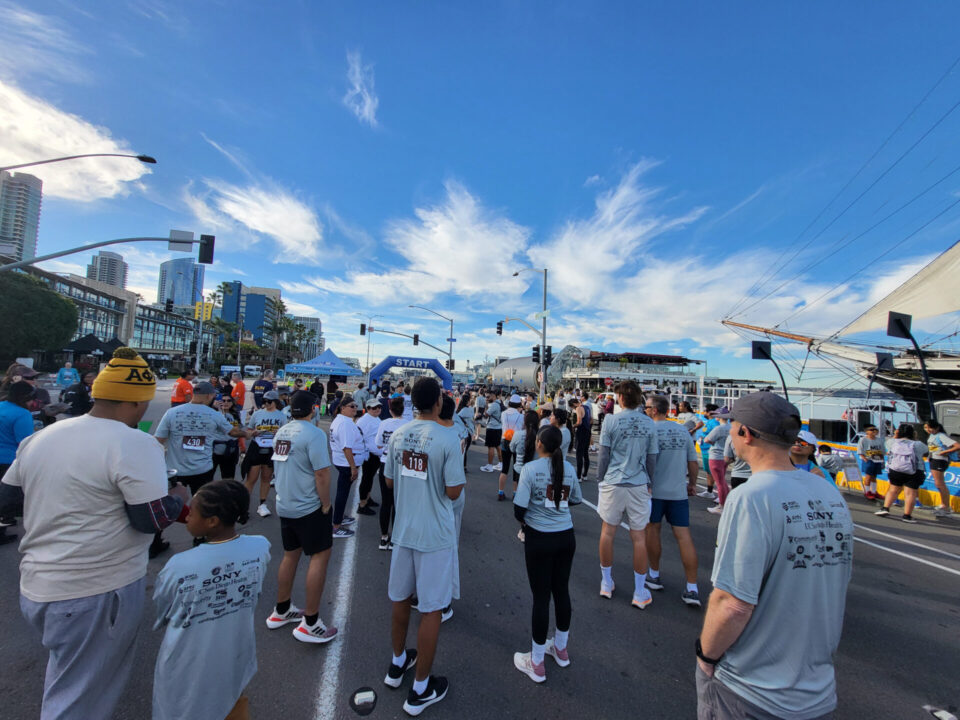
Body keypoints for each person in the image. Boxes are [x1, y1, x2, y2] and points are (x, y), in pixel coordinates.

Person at [0, 347, 189, 720]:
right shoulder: (136, 443)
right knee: (79, 700)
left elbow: (8, 500)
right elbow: (149, 520)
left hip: (38, 585)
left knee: (68, 678)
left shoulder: (44, 436)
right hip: (97, 590)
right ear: (137, 402)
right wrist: (177, 497)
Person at [696, 391, 854, 720]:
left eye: (733, 427)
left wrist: (706, 656)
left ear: (745, 433)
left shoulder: (751, 497)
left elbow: (733, 603)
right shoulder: (829, 494)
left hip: (751, 688)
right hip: (818, 689)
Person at [152, 481, 270, 720]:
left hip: (186, 663)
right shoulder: (260, 547)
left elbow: (163, 610)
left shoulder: (178, 566)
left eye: (192, 512)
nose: (187, 516)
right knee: (230, 703)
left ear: (212, 521)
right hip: (234, 656)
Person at [381, 378, 465, 715]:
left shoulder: (399, 434)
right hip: (435, 535)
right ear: (439, 403)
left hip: (403, 530)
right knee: (431, 609)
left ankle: (397, 662)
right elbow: (453, 491)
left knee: (400, 598)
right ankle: (420, 688)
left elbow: (389, 481)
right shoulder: (447, 437)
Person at [265, 390, 339, 642]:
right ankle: (311, 622)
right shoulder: (314, 434)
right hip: (308, 505)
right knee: (320, 556)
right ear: (313, 409)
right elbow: (322, 473)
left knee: (290, 555)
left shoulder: (282, 432)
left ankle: (282, 609)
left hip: (285, 503)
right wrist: (326, 504)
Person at [512, 426, 582, 683]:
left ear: (539, 443)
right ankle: (560, 648)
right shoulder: (569, 469)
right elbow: (575, 498)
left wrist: (533, 515)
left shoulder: (530, 469)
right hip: (566, 536)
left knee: (541, 598)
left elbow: (519, 510)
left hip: (539, 537)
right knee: (561, 591)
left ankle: (537, 661)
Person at [154, 381, 249, 555]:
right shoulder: (213, 414)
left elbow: (158, 440)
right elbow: (232, 432)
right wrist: (248, 433)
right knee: (204, 505)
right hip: (202, 469)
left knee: (166, 505)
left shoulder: (172, 412)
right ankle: (200, 538)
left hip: (175, 470)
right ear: (209, 395)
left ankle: (155, 541)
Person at [596, 380, 659, 608]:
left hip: (613, 481)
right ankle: (639, 592)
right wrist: (650, 481)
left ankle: (606, 583)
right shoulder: (649, 423)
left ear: (621, 398)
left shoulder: (610, 420)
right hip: (638, 482)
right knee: (639, 537)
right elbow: (652, 457)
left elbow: (604, 454)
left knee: (607, 532)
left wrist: (601, 479)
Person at [643, 394, 701, 607]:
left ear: (654, 410)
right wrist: (692, 483)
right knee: (684, 537)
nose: (645, 410)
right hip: (678, 492)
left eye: (647, 407)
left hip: (654, 491)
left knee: (652, 530)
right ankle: (692, 587)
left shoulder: (649, 430)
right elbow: (693, 462)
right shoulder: (682, 430)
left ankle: (654, 574)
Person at [0, 381, 35, 544]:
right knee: (7, 498)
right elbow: (25, 442)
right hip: (9, 461)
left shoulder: (1, 407)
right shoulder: (22, 414)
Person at [244, 390, 286, 517]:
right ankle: (243, 506)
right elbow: (248, 431)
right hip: (257, 447)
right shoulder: (257, 414)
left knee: (266, 478)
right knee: (251, 478)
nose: (266, 403)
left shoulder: (281, 416)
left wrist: (278, 433)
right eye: (264, 401)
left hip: (271, 448)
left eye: (269, 401)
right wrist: (254, 432)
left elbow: (285, 434)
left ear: (275, 402)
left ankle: (262, 504)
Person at [875, 424, 928, 523]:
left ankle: (885, 508)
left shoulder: (891, 442)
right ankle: (907, 516)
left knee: (893, 490)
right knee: (910, 493)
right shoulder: (918, 444)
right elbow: (926, 450)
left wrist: (896, 435)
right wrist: (915, 438)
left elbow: (888, 446)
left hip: (895, 470)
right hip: (914, 471)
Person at [330, 394, 363, 538]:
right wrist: (353, 467)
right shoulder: (345, 424)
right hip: (345, 463)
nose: (355, 408)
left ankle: (339, 517)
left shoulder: (341, 420)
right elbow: (346, 447)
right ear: (343, 408)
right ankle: (336, 526)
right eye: (352, 406)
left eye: (356, 406)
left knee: (342, 492)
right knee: (342, 493)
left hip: (341, 461)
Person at [376, 397, 407, 550]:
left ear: (390, 410)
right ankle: (395, 537)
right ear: (403, 410)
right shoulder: (408, 424)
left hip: (385, 462)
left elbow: (378, 443)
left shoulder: (384, 423)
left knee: (386, 502)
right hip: (401, 464)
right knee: (398, 503)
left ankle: (383, 537)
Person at [923, 419, 959, 516]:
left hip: (940, 461)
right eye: (926, 428)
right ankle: (944, 505)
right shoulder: (932, 436)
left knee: (940, 484)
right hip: (933, 460)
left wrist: (944, 452)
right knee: (938, 484)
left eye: (930, 427)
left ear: (936, 428)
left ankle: (946, 507)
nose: (927, 430)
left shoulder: (941, 436)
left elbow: (957, 446)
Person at [356, 397, 384, 515]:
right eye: (374, 408)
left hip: (376, 454)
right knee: (366, 478)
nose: (377, 409)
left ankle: (367, 498)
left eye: (379, 407)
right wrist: (377, 451)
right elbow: (363, 439)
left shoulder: (375, 418)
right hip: (369, 454)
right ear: (368, 409)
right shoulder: (364, 421)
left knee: (370, 478)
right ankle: (362, 504)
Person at [702, 411, 732, 512]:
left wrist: (712, 441)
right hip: (725, 455)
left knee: (719, 482)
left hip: (716, 455)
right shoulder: (730, 427)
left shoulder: (719, 428)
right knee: (722, 480)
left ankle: (721, 505)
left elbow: (707, 440)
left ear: (719, 417)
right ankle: (725, 502)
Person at [497, 394, 526, 500]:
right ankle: (515, 493)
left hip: (505, 440)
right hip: (517, 441)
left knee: (504, 468)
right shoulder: (521, 416)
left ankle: (500, 492)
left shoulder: (503, 414)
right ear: (519, 405)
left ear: (509, 403)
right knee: (516, 467)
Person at [213, 394, 246, 481]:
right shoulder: (214, 414)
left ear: (232, 403)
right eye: (223, 401)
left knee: (229, 477)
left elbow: (239, 431)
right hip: (216, 448)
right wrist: (218, 409)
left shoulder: (236, 414)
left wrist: (242, 448)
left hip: (231, 448)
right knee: (209, 475)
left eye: (228, 400)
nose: (226, 403)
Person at [509, 410, 541, 498]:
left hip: (520, 469)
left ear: (525, 421)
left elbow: (512, 449)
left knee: (521, 496)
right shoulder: (540, 436)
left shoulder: (518, 434)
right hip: (536, 470)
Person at [857, 424, 885, 500]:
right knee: (868, 476)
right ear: (867, 431)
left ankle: (874, 491)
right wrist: (864, 458)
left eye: (875, 430)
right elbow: (860, 450)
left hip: (877, 459)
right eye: (871, 430)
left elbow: (883, 450)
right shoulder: (863, 440)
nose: (874, 431)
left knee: (874, 476)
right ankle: (867, 491)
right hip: (868, 459)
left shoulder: (879, 440)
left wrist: (882, 460)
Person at [480, 390, 503, 473]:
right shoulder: (500, 403)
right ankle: (501, 464)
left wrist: (486, 405)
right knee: (498, 446)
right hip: (498, 427)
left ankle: (489, 466)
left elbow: (486, 414)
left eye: (488, 396)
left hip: (492, 428)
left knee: (491, 447)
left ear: (493, 396)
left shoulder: (494, 405)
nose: (487, 398)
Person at [572, 396, 593, 482]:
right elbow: (591, 420)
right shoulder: (587, 407)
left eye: (572, 407)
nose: (573, 409)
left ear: (574, 404)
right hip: (587, 431)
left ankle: (578, 476)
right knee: (585, 453)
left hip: (581, 432)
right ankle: (585, 475)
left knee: (579, 454)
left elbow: (579, 422)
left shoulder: (578, 408)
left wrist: (573, 426)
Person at [456, 393, 476, 469]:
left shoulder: (463, 409)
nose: (470, 402)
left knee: (463, 450)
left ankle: (462, 467)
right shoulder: (468, 409)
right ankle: (463, 467)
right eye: (469, 400)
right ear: (466, 402)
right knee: (464, 450)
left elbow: (456, 418)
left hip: (463, 433)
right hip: (468, 433)